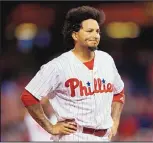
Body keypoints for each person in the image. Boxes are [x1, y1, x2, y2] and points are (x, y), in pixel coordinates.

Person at [21, 5, 125, 141]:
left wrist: (115, 121)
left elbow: (119, 92)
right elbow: (28, 96)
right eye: (89, 31)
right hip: (74, 136)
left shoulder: (106, 60)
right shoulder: (58, 65)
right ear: (75, 35)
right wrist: (50, 127)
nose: (95, 35)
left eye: (97, 31)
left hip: (103, 137)